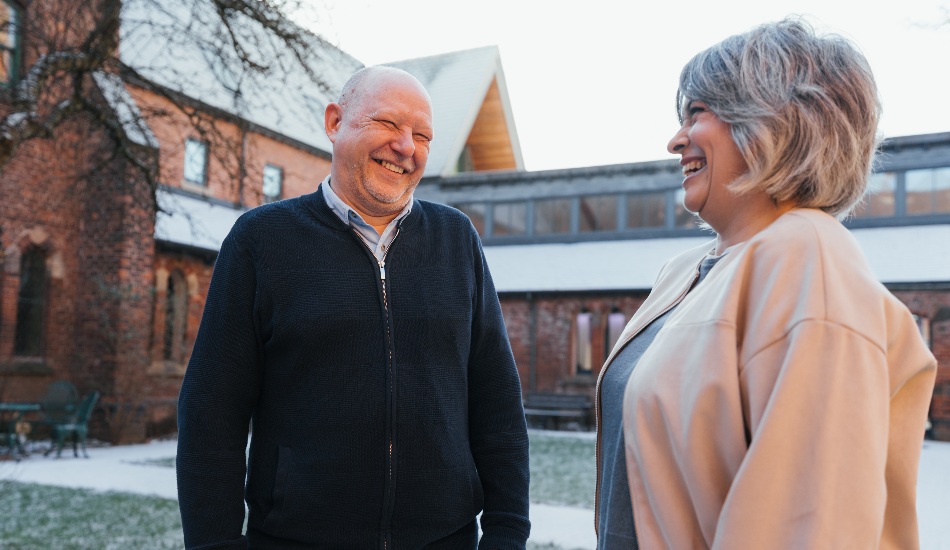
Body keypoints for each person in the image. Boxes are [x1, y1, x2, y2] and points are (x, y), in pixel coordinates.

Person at [594, 18, 937, 549]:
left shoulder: (810, 261)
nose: (675, 140)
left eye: (697, 113)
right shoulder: (686, 271)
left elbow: (811, 526)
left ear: (772, 119)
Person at [176, 66, 531, 549]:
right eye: (387, 124)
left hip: (445, 540)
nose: (406, 146)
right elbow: (211, 412)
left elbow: (498, 403)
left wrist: (507, 533)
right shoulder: (262, 241)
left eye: (422, 135)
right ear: (335, 122)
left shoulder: (456, 239)